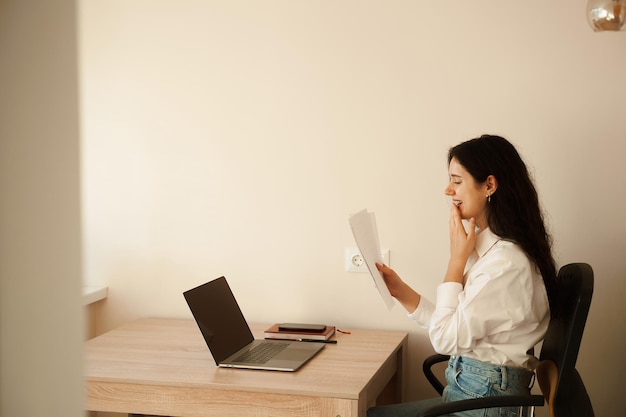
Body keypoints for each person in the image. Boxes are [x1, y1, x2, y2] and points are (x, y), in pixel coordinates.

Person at [368, 134, 558, 417]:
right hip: (475, 390)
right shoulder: (494, 254)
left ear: (489, 185)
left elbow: (445, 339)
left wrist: (456, 261)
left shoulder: (506, 265)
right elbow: (455, 329)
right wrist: (402, 293)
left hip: (484, 398)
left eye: (457, 181)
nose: (448, 190)